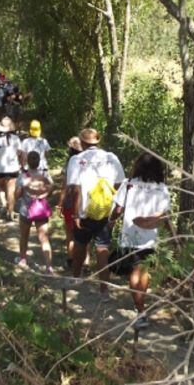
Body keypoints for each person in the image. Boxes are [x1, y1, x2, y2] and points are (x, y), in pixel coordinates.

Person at [108, 152, 173, 330]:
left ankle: (140, 310)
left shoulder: (129, 184)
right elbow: (165, 215)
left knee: (134, 273)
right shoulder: (162, 188)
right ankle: (140, 308)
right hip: (150, 238)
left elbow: (118, 209)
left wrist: (111, 221)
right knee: (142, 272)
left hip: (130, 236)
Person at [67, 128, 125, 301]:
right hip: (105, 212)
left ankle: (76, 278)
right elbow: (120, 185)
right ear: (98, 141)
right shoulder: (111, 158)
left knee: (80, 244)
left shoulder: (76, 160)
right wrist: (114, 211)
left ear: (82, 142)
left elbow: (75, 189)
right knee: (102, 249)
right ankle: (104, 291)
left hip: (84, 212)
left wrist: (75, 214)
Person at [15, 151, 54, 273]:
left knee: (24, 236)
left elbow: (17, 195)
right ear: (39, 162)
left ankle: (22, 259)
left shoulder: (23, 176)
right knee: (44, 238)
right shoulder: (45, 174)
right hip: (41, 210)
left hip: (26, 211)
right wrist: (43, 195)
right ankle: (48, 266)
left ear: (27, 161)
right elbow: (51, 188)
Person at [57, 136, 84, 269]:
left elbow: (65, 185)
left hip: (70, 201)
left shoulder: (70, 163)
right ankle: (86, 262)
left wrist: (60, 203)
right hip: (86, 201)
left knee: (70, 232)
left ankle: (71, 258)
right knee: (84, 234)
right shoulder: (90, 161)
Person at [0, 117, 22, 221]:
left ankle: (4, 204)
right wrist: (21, 164)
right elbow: (20, 153)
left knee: (0, 186)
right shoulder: (16, 139)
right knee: (11, 190)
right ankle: (10, 212)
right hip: (13, 168)